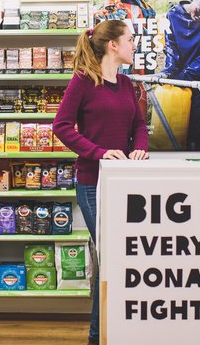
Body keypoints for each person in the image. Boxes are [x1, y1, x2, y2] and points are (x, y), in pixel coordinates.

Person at [52, 19, 149, 345]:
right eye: (130, 39)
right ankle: (98, 336)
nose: (134, 44)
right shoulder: (82, 82)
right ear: (113, 45)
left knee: (118, 258)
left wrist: (140, 148)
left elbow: (140, 125)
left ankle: (113, 332)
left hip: (123, 186)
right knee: (110, 259)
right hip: (93, 184)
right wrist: (98, 152)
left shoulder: (125, 84)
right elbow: (62, 126)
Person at [160, 0, 200, 150]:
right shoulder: (173, 15)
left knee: (196, 116)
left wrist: (186, 76)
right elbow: (170, 47)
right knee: (173, 115)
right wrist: (170, 71)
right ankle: (172, 150)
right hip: (177, 71)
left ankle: (197, 153)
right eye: (199, 11)